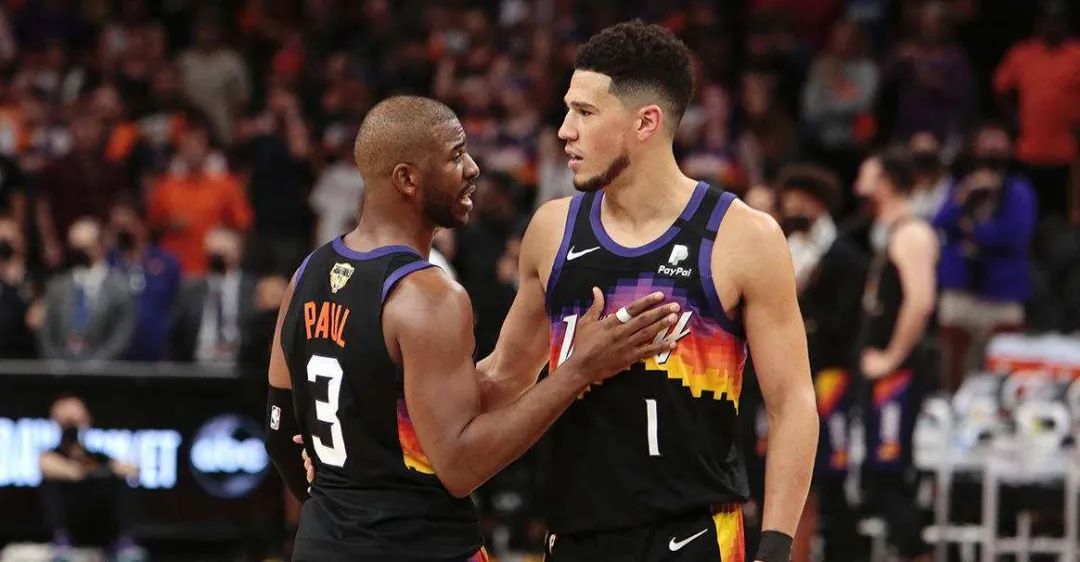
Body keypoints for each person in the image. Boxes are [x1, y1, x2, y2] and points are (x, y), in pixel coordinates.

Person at [264, 95, 678, 561]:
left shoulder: (307, 275)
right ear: (407, 179)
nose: (473, 168)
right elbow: (460, 466)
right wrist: (578, 370)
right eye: (455, 155)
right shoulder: (428, 296)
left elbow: (280, 434)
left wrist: (338, 512)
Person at [479, 21, 817, 562]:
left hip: (695, 537)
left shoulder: (744, 236)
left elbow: (792, 403)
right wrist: (390, 403)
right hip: (575, 536)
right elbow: (503, 377)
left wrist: (775, 548)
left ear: (646, 122)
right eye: (567, 110)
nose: (564, 131)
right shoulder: (552, 229)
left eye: (585, 112)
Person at [775, 165, 866, 562]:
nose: (792, 208)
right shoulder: (783, 247)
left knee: (829, 475)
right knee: (791, 474)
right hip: (788, 375)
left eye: (799, 200)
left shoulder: (844, 255)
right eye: (788, 201)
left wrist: (804, 312)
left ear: (818, 202)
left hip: (830, 377)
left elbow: (845, 322)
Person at [853, 151, 938, 562]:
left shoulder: (911, 232)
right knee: (877, 474)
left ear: (886, 181)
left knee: (888, 472)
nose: (858, 182)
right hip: (882, 373)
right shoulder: (884, 231)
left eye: (866, 173)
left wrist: (892, 356)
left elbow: (920, 302)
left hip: (898, 376)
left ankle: (919, 554)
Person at [934, 123, 1035, 392]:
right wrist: (964, 195)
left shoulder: (1019, 191)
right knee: (952, 375)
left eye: (999, 144)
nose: (992, 150)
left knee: (1002, 379)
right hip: (960, 295)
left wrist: (974, 230)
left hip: (1002, 297)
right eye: (986, 143)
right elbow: (939, 222)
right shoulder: (959, 186)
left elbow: (1014, 237)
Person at [39, 394, 141, 561]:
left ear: (87, 421)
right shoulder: (50, 456)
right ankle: (62, 543)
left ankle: (124, 543)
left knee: (119, 483)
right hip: (68, 527)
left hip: (100, 527)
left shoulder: (99, 457)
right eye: (67, 422)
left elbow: (130, 468)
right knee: (56, 486)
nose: (72, 428)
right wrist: (98, 472)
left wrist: (107, 470)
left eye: (76, 421)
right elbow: (70, 472)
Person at [39, 218, 135, 361]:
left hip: (104, 369)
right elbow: (45, 331)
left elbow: (122, 335)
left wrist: (97, 364)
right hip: (61, 368)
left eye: (85, 248)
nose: (79, 254)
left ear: (100, 246)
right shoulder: (57, 286)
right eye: (75, 248)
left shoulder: (120, 288)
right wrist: (56, 365)